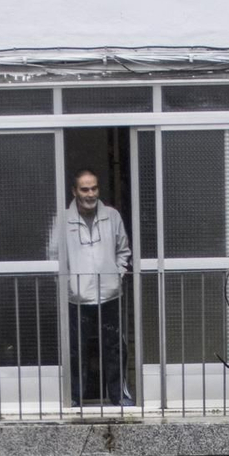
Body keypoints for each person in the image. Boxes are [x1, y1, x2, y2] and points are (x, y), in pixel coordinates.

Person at [46, 168, 132, 406]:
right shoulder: (62, 219)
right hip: (77, 297)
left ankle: (119, 396)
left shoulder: (112, 216)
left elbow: (123, 251)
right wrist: (67, 284)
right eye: (85, 189)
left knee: (115, 347)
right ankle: (74, 396)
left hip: (109, 294)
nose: (90, 193)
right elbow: (54, 255)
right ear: (75, 191)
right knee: (75, 349)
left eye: (94, 188)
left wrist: (117, 275)